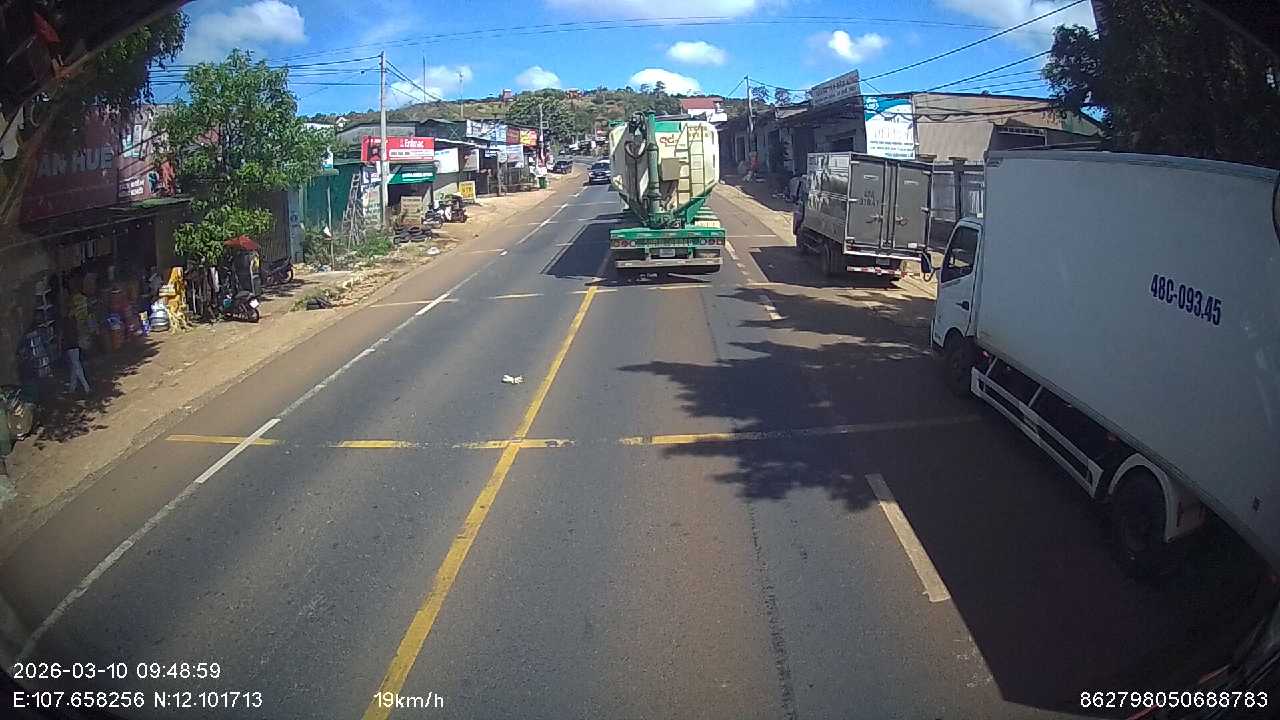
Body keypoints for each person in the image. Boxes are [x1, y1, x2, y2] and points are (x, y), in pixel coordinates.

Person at [62, 318, 90, 395]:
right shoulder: (73, 324)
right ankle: (72, 388)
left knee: (76, 366)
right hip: (75, 345)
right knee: (75, 367)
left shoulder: (65, 324)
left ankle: (86, 387)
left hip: (70, 346)